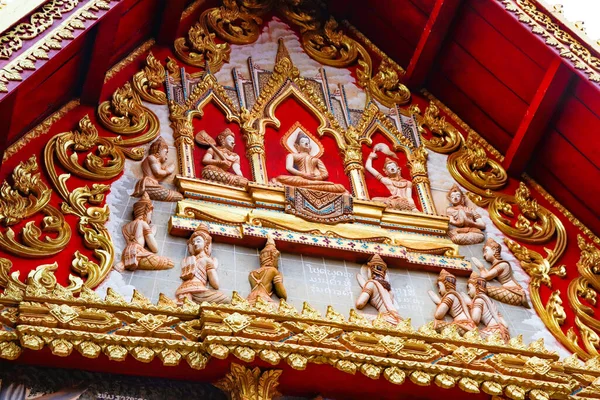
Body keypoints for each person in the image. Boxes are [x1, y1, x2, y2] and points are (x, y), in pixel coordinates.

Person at [271, 131, 346, 193]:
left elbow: (325, 174)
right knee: (280, 178)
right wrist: (304, 175)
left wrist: (316, 178)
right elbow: (289, 167)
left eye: (308, 142)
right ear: (297, 146)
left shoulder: (316, 159)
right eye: (303, 142)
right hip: (301, 180)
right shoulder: (292, 156)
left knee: (339, 187)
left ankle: (308, 186)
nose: (306, 144)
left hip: (315, 181)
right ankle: (311, 186)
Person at [116, 192, 174, 271]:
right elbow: (154, 248)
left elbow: (137, 238)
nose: (150, 219)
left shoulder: (126, 227)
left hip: (126, 252)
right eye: (150, 214)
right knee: (168, 263)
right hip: (138, 253)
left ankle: (122, 263)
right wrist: (152, 233)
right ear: (147, 213)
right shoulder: (142, 223)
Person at [175, 224, 229, 304]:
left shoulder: (192, 259)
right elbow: (215, 284)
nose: (195, 244)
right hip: (197, 290)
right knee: (226, 299)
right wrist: (213, 267)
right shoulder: (207, 260)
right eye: (193, 243)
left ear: (206, 244)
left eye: (198, 241)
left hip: (183, 289)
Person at [472, 238, 530, 308]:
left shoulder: (502, 265)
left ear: (493, 250)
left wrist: (481, 267)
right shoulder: (498, 266)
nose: (484, 255)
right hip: (509, 291)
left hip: (514, 293)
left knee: (481, 287)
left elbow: (486, 276)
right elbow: (488, 275)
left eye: (486, 251)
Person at [355, 254, 403, 324]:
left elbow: (359, 304)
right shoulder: (389, 290)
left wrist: (366, 288)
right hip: (397, 320)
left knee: (358, 317)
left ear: (370, 271)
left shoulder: (371, 284)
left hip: (386, 319)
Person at [133, 137, 183, 202]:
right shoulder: (151, 158)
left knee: (179, 196)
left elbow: (157, 178)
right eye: (166, 152)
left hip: (153, 184)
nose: (166, 157)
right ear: (159, 150)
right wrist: (168, 171)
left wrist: (166, 171)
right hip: (148, 185)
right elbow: (157, 172)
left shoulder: (156, 162)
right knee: (178, 196)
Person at [465, 271, 510, 342]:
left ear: (476, 287)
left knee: (469, 335)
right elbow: (505, 325)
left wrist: (469, 306)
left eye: (470, 288)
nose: (468, 292)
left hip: (493, 332)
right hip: (504, 333)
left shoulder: (479, 300)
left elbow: (475, 319)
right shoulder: (490, 301)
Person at [428, 269, 476, 334]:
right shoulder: (456, 295)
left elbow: (438, 315)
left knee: (435, 324)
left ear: (445, 285)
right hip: (467, 325)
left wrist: (438, 302)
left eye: (439, 286)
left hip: (462, 326)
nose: (439, 291)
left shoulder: (450, 296)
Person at [247, 235, 287, 305]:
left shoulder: (252, 273)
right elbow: (283, 296)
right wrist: (280, 278)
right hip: (264, 300)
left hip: (249, 299)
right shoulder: (273, 271)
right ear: (273, 258)